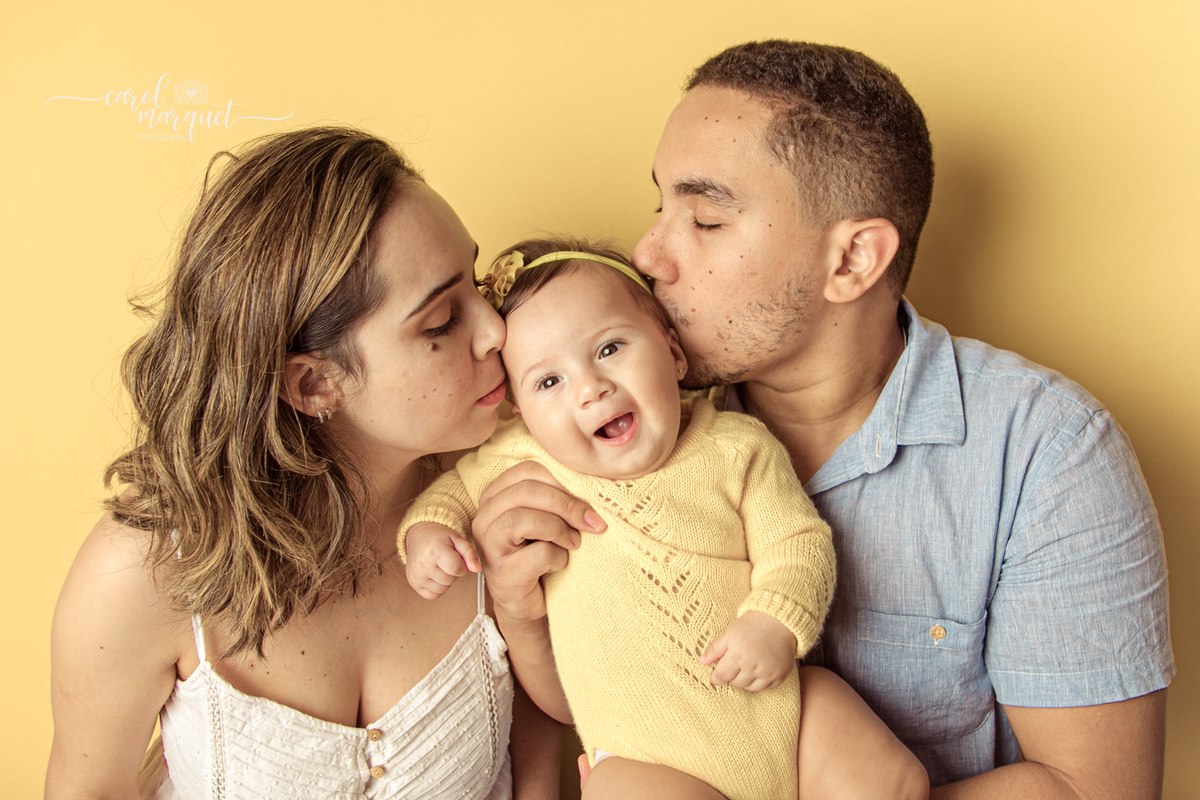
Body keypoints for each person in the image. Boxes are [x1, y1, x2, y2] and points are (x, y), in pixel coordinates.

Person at [472, 41, 1175, 799]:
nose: (649, 253)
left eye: (705, 219)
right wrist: (522, 609)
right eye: (659, 206)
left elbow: (1090, 789)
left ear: (853, 261)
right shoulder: (606, 421)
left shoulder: (1048, 453)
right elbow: (637, 702)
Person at [45, 127, 561, 800]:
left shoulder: (514, 499)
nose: (496, 329)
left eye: (480, 281)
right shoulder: (141, 576)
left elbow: (542, 757)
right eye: (441, 322)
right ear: (315, 385)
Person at [399, 239, 927, 800]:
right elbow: (453, 490)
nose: (590, 387)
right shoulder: (525, 458)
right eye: (548, 382)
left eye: (609, 348)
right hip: (644, 761)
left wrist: (773, 623)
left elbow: (799, 542)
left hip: (778, 713)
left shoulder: (735, 446)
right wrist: (428, 531)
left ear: (673, 353)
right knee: (615, 788)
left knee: (888, 774)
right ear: (521, 413)